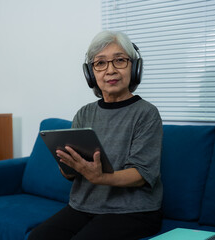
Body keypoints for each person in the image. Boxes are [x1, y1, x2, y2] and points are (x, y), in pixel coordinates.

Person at [28, 30, 163, 240]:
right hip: (84, 206)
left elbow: (141, 174)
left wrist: (101, 177)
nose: (110, 70)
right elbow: (71, 174)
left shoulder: (146, 113)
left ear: (134, 68)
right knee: (38, 237)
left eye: (119, 60)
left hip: (134, 211)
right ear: (91, 73)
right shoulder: (84, 113)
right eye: (100, 63)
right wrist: (67, 165)